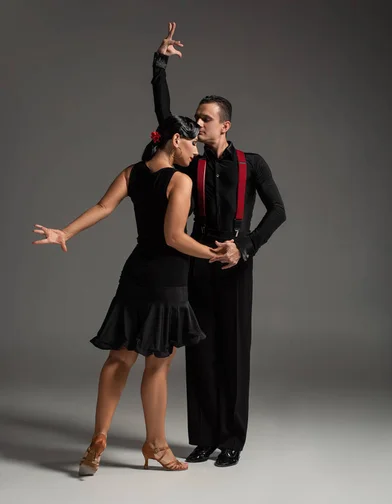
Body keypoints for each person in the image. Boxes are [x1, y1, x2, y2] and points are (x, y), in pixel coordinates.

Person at [32, 115, 225, 475]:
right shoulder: (179, 180)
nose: (195, 151)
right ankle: (156, 444)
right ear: (175, 142)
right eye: (192, 143)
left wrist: (66, 233)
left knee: (119, 360)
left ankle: (97, 440)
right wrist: (215, 253)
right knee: (158, 364)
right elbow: (174, 238)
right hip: (168, 279)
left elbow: (104, 208)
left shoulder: (132, 172)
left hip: (135, 275)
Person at [151, 23, 287, 467]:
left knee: (233, 350)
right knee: (200, 350)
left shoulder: (253, 163)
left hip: (236, 263)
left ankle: (232, 439)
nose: (198, 123)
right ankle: (205, 436)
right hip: (197, 260)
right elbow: (166, 121)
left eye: (205, 118)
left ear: (225, 125)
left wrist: (245, 248)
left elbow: (278, 212)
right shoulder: (192, 164)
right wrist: (160, 64)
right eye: (197, 118)